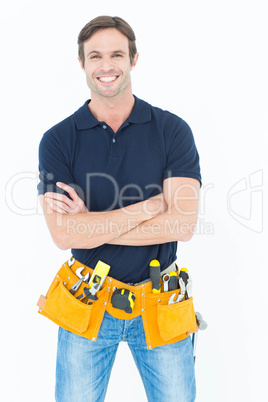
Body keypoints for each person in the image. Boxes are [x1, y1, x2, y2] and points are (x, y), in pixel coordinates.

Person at [38, 15, 201, 402]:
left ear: (133, 59)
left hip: (161, 299)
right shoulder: (58, 140)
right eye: (95, 56)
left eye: (116, 54)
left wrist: (90, 225)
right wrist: (148, 208)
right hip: (86, 298)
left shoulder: (172, 130)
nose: (106, 65)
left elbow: (182, 225)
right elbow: (63, 235)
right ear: (82, 63)